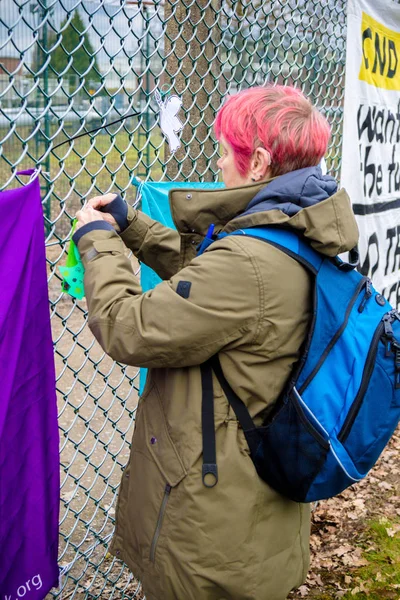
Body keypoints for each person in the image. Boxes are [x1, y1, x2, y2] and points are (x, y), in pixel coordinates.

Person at [74, 85, 359, 600]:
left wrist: (97, 239)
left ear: (260, 163)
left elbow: (127, 326)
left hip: (212, 535)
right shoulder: (300, 227)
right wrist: (134, 226)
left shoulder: (248, 264)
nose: (220, 163)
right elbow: (213, 289)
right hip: (261, 509)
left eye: (227, 151)